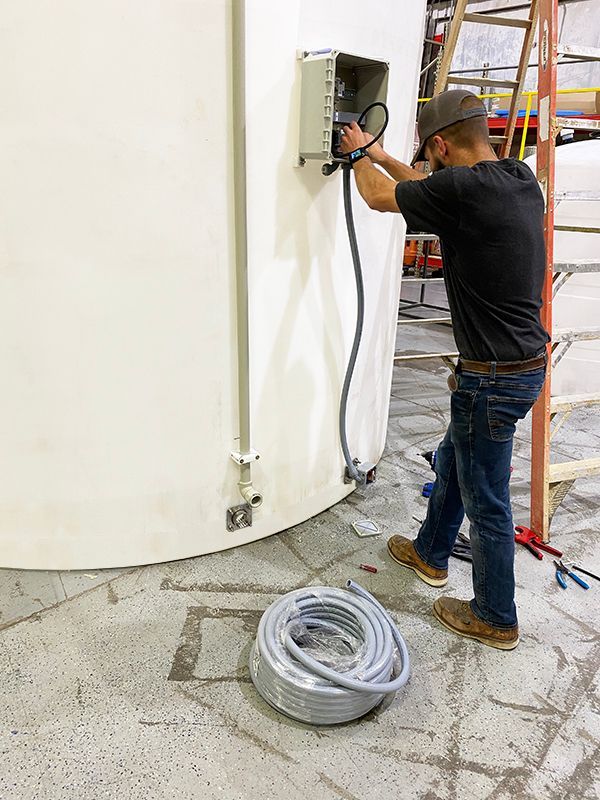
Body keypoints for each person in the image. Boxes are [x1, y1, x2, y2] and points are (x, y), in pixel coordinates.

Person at [340, 89, 549, 651]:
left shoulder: (460, 191)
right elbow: (424, 187)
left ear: (439, 143)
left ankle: (495, 616)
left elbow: (385, 199)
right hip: (524, 366)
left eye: (429, 154)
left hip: (491, 378)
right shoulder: (516, 179)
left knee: (487, 499)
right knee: (456, 463)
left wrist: (358, 157)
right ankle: (431, 553)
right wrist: (380, 152)